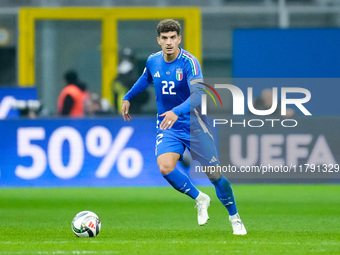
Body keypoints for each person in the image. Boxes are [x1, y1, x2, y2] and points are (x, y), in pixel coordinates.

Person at [121, 19, 247, 235]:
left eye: (173, 38)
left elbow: (198, 96)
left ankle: (235, 218)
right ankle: (200, 198)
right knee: (165, 167)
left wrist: (176, 111)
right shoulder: (153, 61)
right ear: (158, 40)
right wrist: (128, 97)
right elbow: (145, 79)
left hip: (194, 125)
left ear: (179, 39)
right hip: (168, 126)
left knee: (215, 176)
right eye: (165, 38)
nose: (169, 42)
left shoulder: (189, 62)